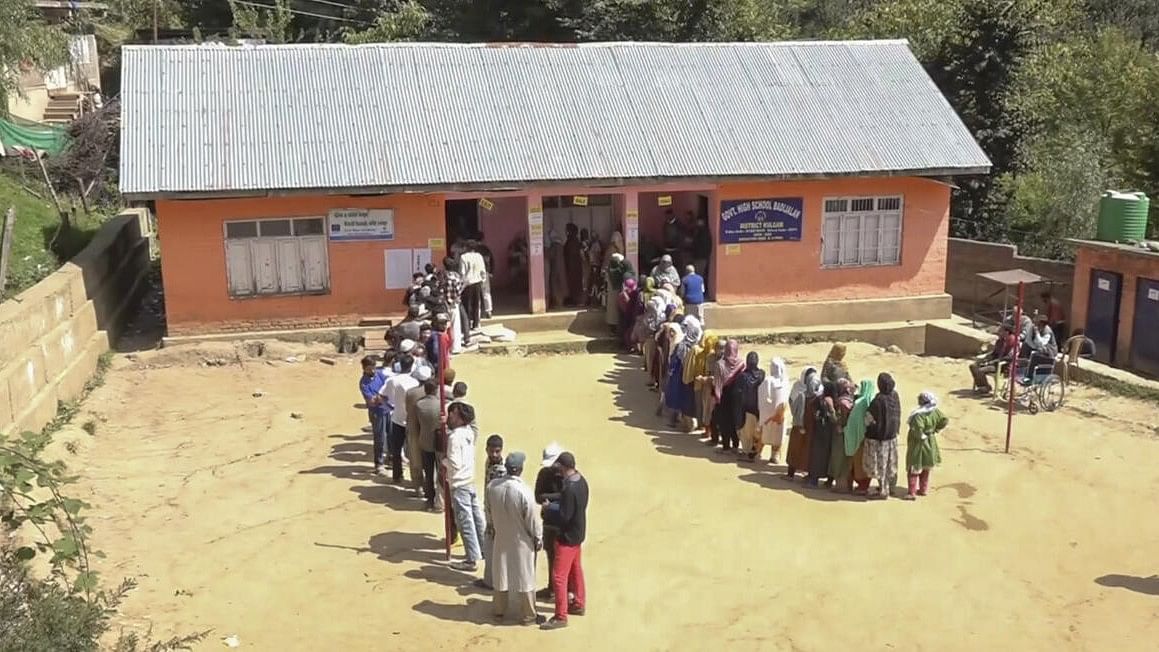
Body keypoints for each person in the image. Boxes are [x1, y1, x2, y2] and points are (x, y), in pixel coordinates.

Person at [487, 452, 546, 625]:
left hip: (501, 536)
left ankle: (499, 611)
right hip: (521, 540)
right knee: (525, 576)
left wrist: (493, 527)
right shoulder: (524, 491)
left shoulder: (492, 487)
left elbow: (488, 512)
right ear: (520, 469)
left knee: (501, 573)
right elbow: (532, 519)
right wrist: (538, 537)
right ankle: (529, 615)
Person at [541, 451, 588, 630]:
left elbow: (564, 515)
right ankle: (578, 602)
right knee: (576, 570)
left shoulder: (569, 488)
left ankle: (560, 616)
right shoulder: (581, 481)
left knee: (559, 577)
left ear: (563, 466)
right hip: (578, 533)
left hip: (567, 537)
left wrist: (549, 508)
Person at [444, 401, 486, 571]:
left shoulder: (454, 438)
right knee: (477, 518)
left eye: (452, 415)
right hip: (469, 480)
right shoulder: (468, 432)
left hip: (459, 483)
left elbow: (454, 462)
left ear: (460, 418)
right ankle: (483, 550)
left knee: (465, 521)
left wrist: (444, 462)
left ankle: (471, 559)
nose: (449, 417)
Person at [378, 353, 419, 483]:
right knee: (414, 450)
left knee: (396, 449)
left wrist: (389, 407)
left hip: (397, 418)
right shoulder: (415, 382)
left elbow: (381, 396)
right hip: (412, 420)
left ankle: (397, 476)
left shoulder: (392, 380)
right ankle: (416, 479)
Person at [864, 372, 902, 500]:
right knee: (890, 463)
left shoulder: (878, 401)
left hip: (879, 438)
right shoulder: (895, 396)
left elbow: (868, 419)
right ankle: (891, 488)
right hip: (892, 436)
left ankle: (883, 491)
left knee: (881, 465)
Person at [534, 443, 564, 601]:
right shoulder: (544, 473)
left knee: (563, 558)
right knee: (551, 555)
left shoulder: (566, 476)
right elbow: (537, 496)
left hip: (562, 523)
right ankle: (552, 588)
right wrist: (555, 498)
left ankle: (563, 591)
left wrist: (550, 500)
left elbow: (567, 497)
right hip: (548, 522)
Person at [904, 392, 948, 500]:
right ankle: (923, 489)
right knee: (926, 466)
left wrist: (921, 436)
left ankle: (912, 492)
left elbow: (917, 428)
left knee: (914, 466)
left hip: (918, 444)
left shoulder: (918, 415)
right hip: (930, 441)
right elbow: (944, 420)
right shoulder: (935, 411)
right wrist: (935, 429)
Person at [477, 434, 507, 590]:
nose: (494, 454)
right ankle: (490, 580)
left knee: (493, 549)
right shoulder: (488, 462)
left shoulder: (501, 470)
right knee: (489, 549)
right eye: (491, 451)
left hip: (496, 515)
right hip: (489, 510)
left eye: (497, 451)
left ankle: (493, 582)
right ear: (486, 449)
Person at [667, 315, 702, 430]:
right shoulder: (698, 347)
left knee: (680, 398)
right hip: (691, 377)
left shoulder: (682, 345)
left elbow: (674, 360)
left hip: (682, 377)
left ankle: (683, 422)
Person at [359, 356, 392, 476]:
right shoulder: (364, 383)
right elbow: (371, 401)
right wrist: (382, 396)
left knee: (390, 435)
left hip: (387, 409)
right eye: (369, 368)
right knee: (379, 438)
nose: (372, 371)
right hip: (376, 413)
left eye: (373, 367)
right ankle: (379, 464)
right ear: (364, 368)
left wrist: (381, 397)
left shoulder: (380, 374)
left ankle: (391, 458)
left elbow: (388, 387)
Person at [841, 379, 875, 495]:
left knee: (856, 464)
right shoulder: (872, 401)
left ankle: (858, 487)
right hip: (868, 438)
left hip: (857, 439)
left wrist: (846, 431)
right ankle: (863, 486)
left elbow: (852, 423)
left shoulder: (859, 403)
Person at [405, 365, 434, 496]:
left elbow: (407, 410)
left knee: (415, 457)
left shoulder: (411, 393)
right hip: (429, 428)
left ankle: (418, 486)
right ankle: (431, 485)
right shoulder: (435, 392)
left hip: (414, 428)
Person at [414, 380, 443, 512]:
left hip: (425, 442)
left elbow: (416, 423)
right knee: (441, 472)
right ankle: (440, 500)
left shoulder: (419, 404)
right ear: (436, 390)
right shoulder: (441, 405)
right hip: (439, 442)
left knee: (429, 473)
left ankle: (430, 499)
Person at [712, 340, 745, 452]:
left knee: (724, 421)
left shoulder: (719, 364)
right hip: (737, 397)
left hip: (724, 396)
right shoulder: (741, 363)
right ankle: (736, 444)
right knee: (734, 420)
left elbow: (717, 383)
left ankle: (726, 447)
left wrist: (717, 398)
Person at [826, 379, 858, 491]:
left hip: (840, 435)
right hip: (850, 434)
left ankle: (841, 486)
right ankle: (847, 485)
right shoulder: (852, 400)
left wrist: (830, 409)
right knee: (847, 459)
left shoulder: (841, 402)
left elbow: (838, 420)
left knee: (838, 458)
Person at [755, 357, 789, 464]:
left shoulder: (768, 381)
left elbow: (762, 396)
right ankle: (775, 456)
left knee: (764, 434)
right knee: (777, 436)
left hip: (767, 414)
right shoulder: (785, 381)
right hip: (780, 414)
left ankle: (757, 453)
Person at [785, 367, 818, 478]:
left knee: (800, 450)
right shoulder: (813, 397)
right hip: (805, 428)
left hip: (802, 428)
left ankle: (794, 474)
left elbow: (795, 409)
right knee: (800, 449)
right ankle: (792, 473)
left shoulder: (805, 396)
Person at [735, 351, 767, 460]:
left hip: (747, 408)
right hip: (759, 408)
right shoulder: (762, 374)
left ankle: (746, 453)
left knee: (746, 433)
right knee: (756, 432)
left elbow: (738, 393)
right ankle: (756, 452)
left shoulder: (742, 376)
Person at [969, 324, 1016, 394]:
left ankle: (985, 388)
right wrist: (985, 358)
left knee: (980, 370)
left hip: (1003, 366)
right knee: (973, 366)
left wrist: (993, 361)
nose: (998, 332)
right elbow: (994, 353)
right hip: (994, 363)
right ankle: (984, 386)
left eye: (1001, 330)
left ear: (1007, 332)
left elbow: (1009, 357)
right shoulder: (1000, 341)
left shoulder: (1013, 342)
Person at [437, 256, 468, 353]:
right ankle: (456, 348)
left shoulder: (442, 277)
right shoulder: (457, 277)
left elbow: (440, 289)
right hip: (454, 304)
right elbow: (459, 291)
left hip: (444, 304)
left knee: (444, 327)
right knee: (456, 326)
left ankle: (445, 347)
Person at [460, 243, 487, 332]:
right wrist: (483, 280)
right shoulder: (479, 256)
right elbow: (483, 270)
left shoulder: (463, 257)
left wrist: (461, 285)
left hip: (467, 283)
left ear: (466, 248)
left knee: (467, 304)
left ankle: (467, 324)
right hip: (477, 282)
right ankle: (476, 324)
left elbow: (462, 272)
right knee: (476, 304)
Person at [605, 248, 633, 331]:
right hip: (616, 292)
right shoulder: (616, 270)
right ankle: (615, 327)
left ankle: (612, 326)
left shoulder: (611, 268)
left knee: (612, 310)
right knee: (616, 310)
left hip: (612, 292)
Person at [563, 223, 585, 306]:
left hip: (573, 268)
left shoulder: (572, 242)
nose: (565, 232)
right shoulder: (574, 241)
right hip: (574, 267)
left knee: (574, 285)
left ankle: (576, 301)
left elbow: (571, 256)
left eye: (567, 230)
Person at [690, 215, 712, 289]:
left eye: (699, 221)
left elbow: (702, 244)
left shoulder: (703, 232)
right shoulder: (699, 231)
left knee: (699, 274)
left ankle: (700, 290)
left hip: (701, 257)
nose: (698, 223)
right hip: (699, 256)